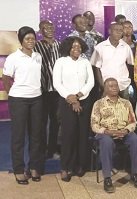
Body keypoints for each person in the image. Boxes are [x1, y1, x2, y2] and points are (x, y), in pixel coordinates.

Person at [3, 26, 43, 184]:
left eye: (33, 38)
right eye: (27, 38)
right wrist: (13, 93)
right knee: (19, 136)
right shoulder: (13, 57)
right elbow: (6, 78)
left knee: (36, 136)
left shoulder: (38, 56)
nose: (31, 41)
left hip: (37, 99)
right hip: (18, 99)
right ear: (21, 40)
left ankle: (33, 167)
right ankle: (18, 169)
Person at [91, 78, 137, 193]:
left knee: (136, 139)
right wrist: (107, 132)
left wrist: (125, 131)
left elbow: (133, 122)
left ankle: (135, 174)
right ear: (105, 89)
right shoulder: (98, 104)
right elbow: (94, 125)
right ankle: (107, 178)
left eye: (116, 85)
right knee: (106, 142)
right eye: (111, 86)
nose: (114, 87)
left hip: (123, 132)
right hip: (106, 133)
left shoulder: (126, 103)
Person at [53, 36, 95, 181]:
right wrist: (71, 99)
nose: (76, 49)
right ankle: (65, 167)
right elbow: (57, 83)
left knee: (82, 134)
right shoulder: (61, 62)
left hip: (84, 100)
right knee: (68, 135)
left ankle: (80, 165)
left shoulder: (85, 62)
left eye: (79, 47)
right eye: (73, 47)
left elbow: (91, 82)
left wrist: (78, 96)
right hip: (66, 102)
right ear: (68, 48)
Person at [33, 20, 61, 160]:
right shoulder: (36, 46)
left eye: (51, 26)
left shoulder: (60, 45)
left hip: (57, 91)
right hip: (42, 90)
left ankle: (53, 149)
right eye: (45, 27)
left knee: (56, 121)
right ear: (40, 30)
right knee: (42, 122)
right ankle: (42, 150)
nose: (49, 29)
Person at [91, 22, 133, 99]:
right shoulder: (100, 48)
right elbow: (96, 68)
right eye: (116, 30)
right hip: (107, 86)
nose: (118, 32)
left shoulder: (126, 47)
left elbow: (130, 65)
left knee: (124, 109)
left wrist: (127, 79)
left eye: (120, 30)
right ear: (110, 31)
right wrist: (102, 86)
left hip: (123, 85)